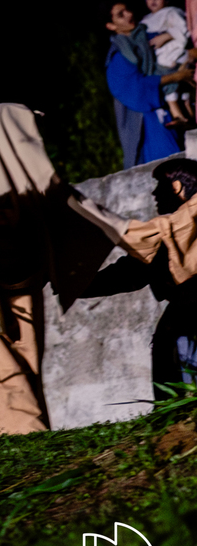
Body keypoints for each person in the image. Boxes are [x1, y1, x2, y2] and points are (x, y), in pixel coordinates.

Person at [0, 105, 135, 441]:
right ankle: (14, 429)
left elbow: (65, 205)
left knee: (27, 360)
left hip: (23, 282)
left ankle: (17, 430)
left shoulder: (15, 169)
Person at [82, 158, 196, 392]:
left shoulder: (177, 227)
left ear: (176, 187)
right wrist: (77, 284)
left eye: (160, 186)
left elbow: (131, 272)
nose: (154, 194)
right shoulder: (172, 232)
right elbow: (132, 272)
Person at [104, 0, 193, 168]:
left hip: (171, 109)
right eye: (120, 15)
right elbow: (134, 89)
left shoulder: (147, 36)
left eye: (127, 10)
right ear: (111, 25)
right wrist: (175, 77)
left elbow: (177, 45)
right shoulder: (118, 57)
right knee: (170, 166)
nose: (129, 15)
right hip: (147, 122)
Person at [141, 0, 193, 127]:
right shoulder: (145, 20)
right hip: (160, 59)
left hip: (174, 56)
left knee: (173, 88)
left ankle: (179, 114)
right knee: (175, 89)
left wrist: (166, 36)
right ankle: (187, 116)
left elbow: (183, 30)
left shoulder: (171, 12)